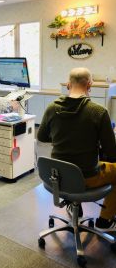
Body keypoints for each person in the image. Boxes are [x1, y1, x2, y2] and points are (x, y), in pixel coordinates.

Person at [37, 67, 116, 232]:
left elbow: (42, 137)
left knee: (73, 164)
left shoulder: (52, 108)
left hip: (56, 175)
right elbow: (112, 152)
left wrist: (62, 137)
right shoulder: (99, 112)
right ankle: (105, 220)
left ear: (68, 85)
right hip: (87, 177)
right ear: (89, 86)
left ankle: (75, 207)